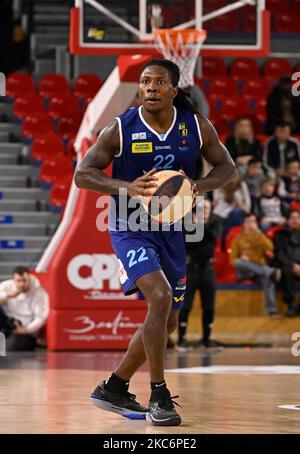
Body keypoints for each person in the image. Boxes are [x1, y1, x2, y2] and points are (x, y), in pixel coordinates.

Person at [74, 58, 236, 426]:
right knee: (160, 298)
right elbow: (83, 174)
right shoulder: (121, 128)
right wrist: (124, 186)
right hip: (129, 224)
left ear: (173, 90)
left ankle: (114, 386)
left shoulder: (196, 126)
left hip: (173, 227)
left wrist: (198, 185)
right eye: (144, 82)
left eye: (158, 82)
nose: (149, 87)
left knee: (169, 322)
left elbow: (228, 168)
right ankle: (159, 393)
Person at [177, 199, 219, 350]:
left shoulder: (215, 224)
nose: (204, 210)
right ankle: (181, 339)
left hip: (207, 269)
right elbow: (189, 245)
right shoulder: (186, 227)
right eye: (201, 208)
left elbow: (210, 246)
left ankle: (207, 339)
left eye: (207, 208)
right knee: (186, 305)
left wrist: (199, 226)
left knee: (209, 306)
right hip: (191, 269)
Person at [229, 213, 280, 316]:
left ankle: (271, 310)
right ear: (244, 224)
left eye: (253, 221)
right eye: (248, 222)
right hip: (245, 271)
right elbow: (232, 260)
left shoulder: (260, 236)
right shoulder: (238, 239)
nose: (251, 224)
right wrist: (242, 259)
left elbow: (270, 248)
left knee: (268, 277)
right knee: (239, 262)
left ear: (256, 223)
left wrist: (259, 233)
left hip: (259, 269)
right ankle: (269, 271)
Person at [0, 266, 49, 351]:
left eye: (24, 280)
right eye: (18, 281)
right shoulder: (7, 286)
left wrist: (26, 330)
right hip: (10, 323)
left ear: (29, 279)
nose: (22, 284)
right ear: (14, 280)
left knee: (13, 345)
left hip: (26, 328)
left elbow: (41, 317)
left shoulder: (39, 293)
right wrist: (7, 295)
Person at [273, 210, 300, 317]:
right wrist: (293, 265)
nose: (295, 220)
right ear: (288, 220)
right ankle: (290, 305)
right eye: (292, 218)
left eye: (297, 218)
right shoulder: (280, 235)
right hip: (288, 266)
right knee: (287, 272)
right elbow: (279, 254)